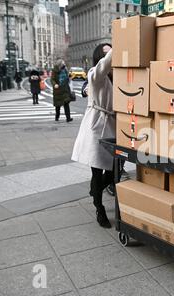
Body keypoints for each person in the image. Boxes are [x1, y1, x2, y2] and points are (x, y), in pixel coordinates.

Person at [71, 43, 116, 229]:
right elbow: (104, 65)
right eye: (106, 53)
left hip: (113, 124)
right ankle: (99, 208)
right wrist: (121, 41)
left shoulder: (119, 75)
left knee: (114, 171)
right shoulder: (95, 75)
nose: (109, 56)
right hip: (96, 126)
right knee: (97, 171)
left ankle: (94, 190)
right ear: (99, 57)